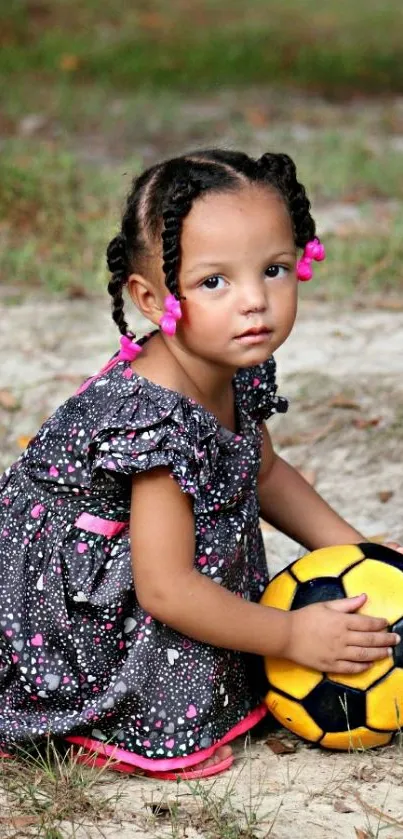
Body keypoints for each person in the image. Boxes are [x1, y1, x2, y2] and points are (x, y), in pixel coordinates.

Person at [0, 149, 401, 781]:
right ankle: (89, 714)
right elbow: (166, 588)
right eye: (214, 281)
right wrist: (291, 637)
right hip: (79, 606)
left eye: (273, 270)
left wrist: (366, 559)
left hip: (163, 569)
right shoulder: (153, 421)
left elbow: (264, 472)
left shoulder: (228, 363)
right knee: (190, 645)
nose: (254, 303)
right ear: (153, 299)